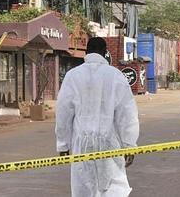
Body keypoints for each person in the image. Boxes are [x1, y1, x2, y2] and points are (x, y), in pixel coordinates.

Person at [55, 37, 140, 197]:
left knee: (84, 189)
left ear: (86, 52)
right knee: (112, 189)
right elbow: (127, 114)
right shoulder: (115, 76)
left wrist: (63, 144)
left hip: (82, 145)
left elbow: (63, 112)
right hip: (109, 143)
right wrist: (129, 144)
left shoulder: (73, 76)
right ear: (105, 53)